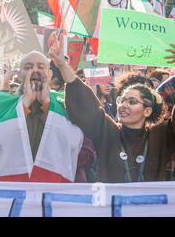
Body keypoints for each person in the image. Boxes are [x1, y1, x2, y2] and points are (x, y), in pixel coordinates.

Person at [50, 31, 175, 182]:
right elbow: (87, 107)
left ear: (147, 111)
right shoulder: (108, 132)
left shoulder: (161, 135)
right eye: (121, 100)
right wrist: (63, 66)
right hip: (113, 205)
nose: (124, 105)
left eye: (132, 102)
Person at [0, 51, 84, 182]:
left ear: (50, 74)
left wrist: (47, 105)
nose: (35, 70)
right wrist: (25, 104)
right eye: (28, 67)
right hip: (13, 188)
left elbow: (73, 139)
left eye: (41, 67)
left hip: (51, 188)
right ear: (19, 75)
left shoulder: (64, 102)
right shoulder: (3, 104)